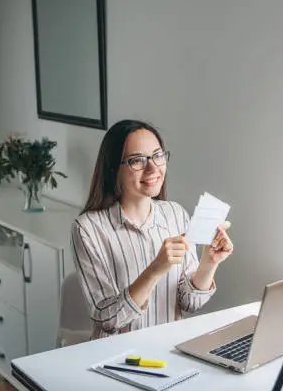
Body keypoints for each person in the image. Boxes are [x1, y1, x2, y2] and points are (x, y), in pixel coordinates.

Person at [70, 119, 234, 340]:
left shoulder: (176, 214)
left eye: (158, 156)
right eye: (137, 160)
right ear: (113, 168)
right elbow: (108, 319)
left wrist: (209, 262)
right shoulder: (88, 229)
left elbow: (190, 303)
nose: (153, 168)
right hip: (115, 358)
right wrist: (156, 269)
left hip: (169, 351)